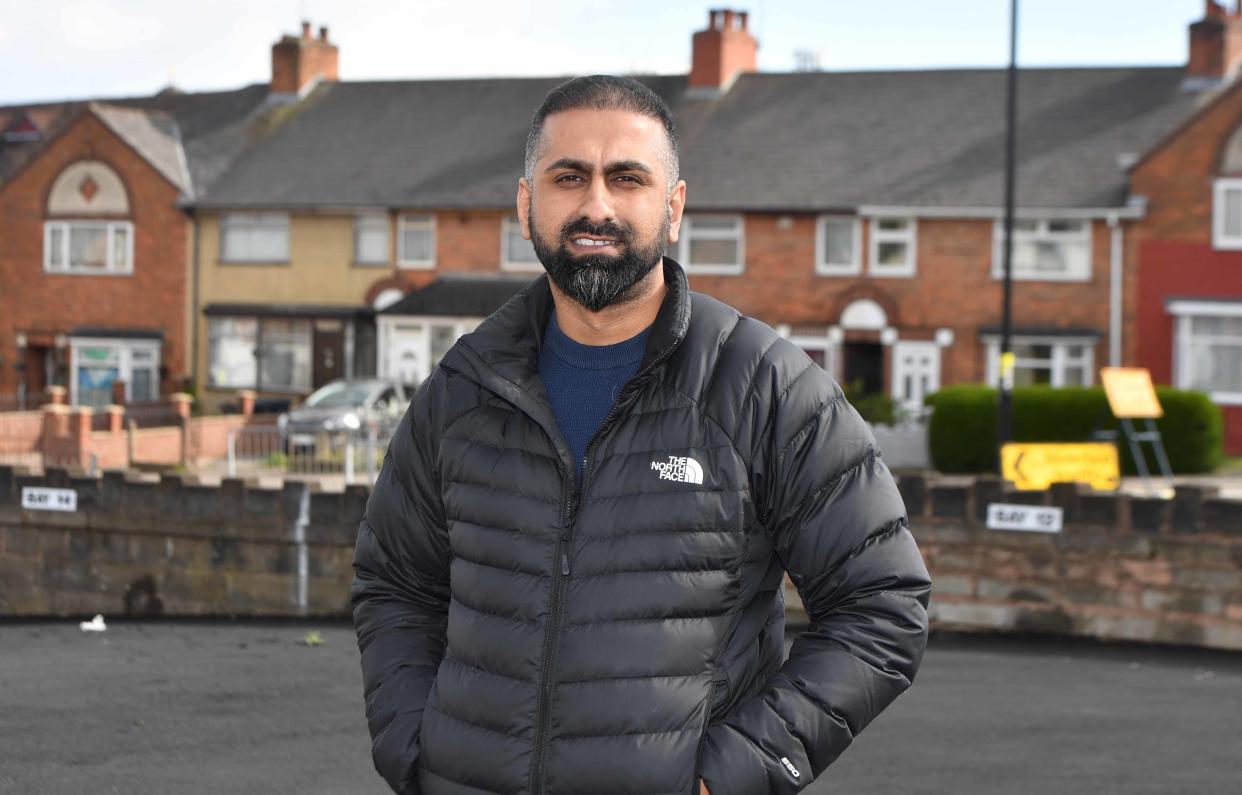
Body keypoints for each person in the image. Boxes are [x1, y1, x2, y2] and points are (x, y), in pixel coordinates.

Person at [351, 74, 931, 795]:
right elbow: (395, 582)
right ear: (527, 201)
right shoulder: (464, 386)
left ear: (674, 206)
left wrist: (732, 774)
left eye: (627, 178)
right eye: (569, 177)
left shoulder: (765, 387)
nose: (596, 205)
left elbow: (884, 604)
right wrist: (415, 747)